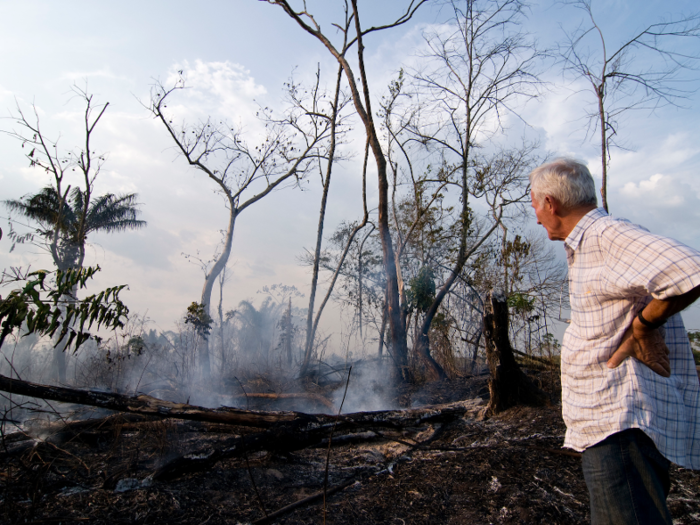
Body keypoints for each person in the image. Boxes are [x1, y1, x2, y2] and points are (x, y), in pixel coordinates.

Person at [529, 158, 700, 525]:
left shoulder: (606, 236)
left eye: (535, 206)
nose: (536, 217)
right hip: (611, 431)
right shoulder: (587, 244)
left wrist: (642, 327)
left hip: (621, 430)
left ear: (550, 203)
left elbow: (691, 267)